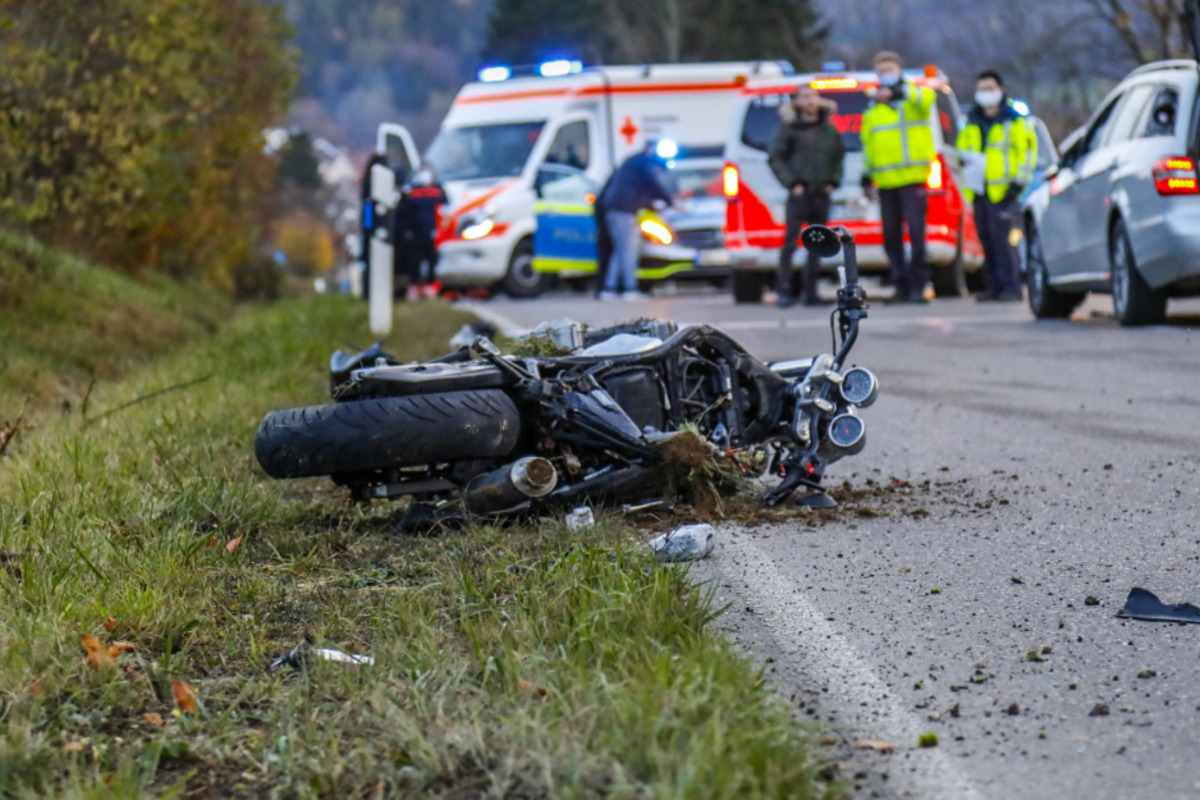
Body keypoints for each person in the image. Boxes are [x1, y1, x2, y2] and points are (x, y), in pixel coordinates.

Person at [861, 51, 940, 304]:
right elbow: (868, 146)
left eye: (890, 69)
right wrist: (866, 176)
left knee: (917, 237)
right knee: (891, 238)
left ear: (899, 70)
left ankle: (918, 286)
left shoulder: (914, 96)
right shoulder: (873, 110)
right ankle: (901, 285)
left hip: (914, 179)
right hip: (886, 183)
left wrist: (897, 93)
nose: (886, 75)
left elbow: (927, 98)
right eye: (881, 71)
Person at [956, 70, 1036, 302]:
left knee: (1005, 243)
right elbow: (963, 151)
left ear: (1000, 90)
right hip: (979, 189)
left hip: (1004, 190)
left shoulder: (1014, 119)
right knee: (986, 239)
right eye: (982, 89)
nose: (986, 94)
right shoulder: (972, 120)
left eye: (990, 88)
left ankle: (1011, 287)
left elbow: (1028, 153)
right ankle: (993, 286)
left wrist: (1018, 183)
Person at [768, 85, 845, 307]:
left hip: (821, 192)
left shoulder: (828, 128)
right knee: (791, 241)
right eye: (805, 97)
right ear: (797, 103)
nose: (810, 101)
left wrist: (833, 181)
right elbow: (775, 157)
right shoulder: (789, 128)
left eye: (813, 96)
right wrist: (791, 183)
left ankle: (811, 291)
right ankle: (784, 290)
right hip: (799, 192)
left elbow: (838, 156)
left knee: (818, 242)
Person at [598, 141, 674, 301]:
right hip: (623, 210)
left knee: (620, 250)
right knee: (628, 250)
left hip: (614, 208)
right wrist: (671, 202)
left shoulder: (633, 163)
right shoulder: (644, 163)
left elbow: (640, 190)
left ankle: (609, 289)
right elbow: (654, 186)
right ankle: (630, 289)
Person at [402, 165, 447, 298]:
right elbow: (405, 212)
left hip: (432, 231)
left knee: (432, 259)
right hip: (415, 232)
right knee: (414, 260)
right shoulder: (412, 192)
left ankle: (430, 285)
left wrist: (442, 228)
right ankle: (414, 286)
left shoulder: (438, 191)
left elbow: (446, 210)